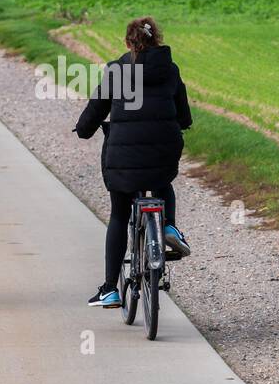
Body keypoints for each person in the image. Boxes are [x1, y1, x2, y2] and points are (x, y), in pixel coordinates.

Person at [74, 16, 192, 308]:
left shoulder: (118, 71)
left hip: (123, 157)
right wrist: (182, 123)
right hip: (164, 149)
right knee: (162, 181)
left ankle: (109, 289)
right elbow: (183, 111)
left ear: (128, 42)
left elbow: (96, 108)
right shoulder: (170, 70)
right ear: (157, 39)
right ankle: (169, 227)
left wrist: (84, 129)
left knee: (119, 214)